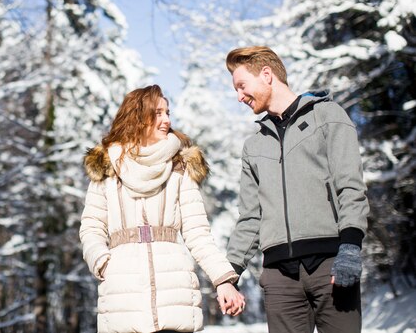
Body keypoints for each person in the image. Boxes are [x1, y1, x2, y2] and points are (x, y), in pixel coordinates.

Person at [224, 46, 370, 333]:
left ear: (266, 75)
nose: (239, 96)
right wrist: (229, 272)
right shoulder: (254, 146)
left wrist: (350, 246)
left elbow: (350, 186)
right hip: (279, 278)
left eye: (241, 86)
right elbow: (250, 217)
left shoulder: (327, 116)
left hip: (332, 266)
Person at [79, 84, 245, 333]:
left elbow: (198, 233)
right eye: (157, 113)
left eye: (167, 112)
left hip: (174, 296)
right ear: (137, 117)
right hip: (122, 297)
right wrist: (103, 263)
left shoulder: (180, 167)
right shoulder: (107, 169)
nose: (166, 119)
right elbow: (91, 228)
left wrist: (224, 280)